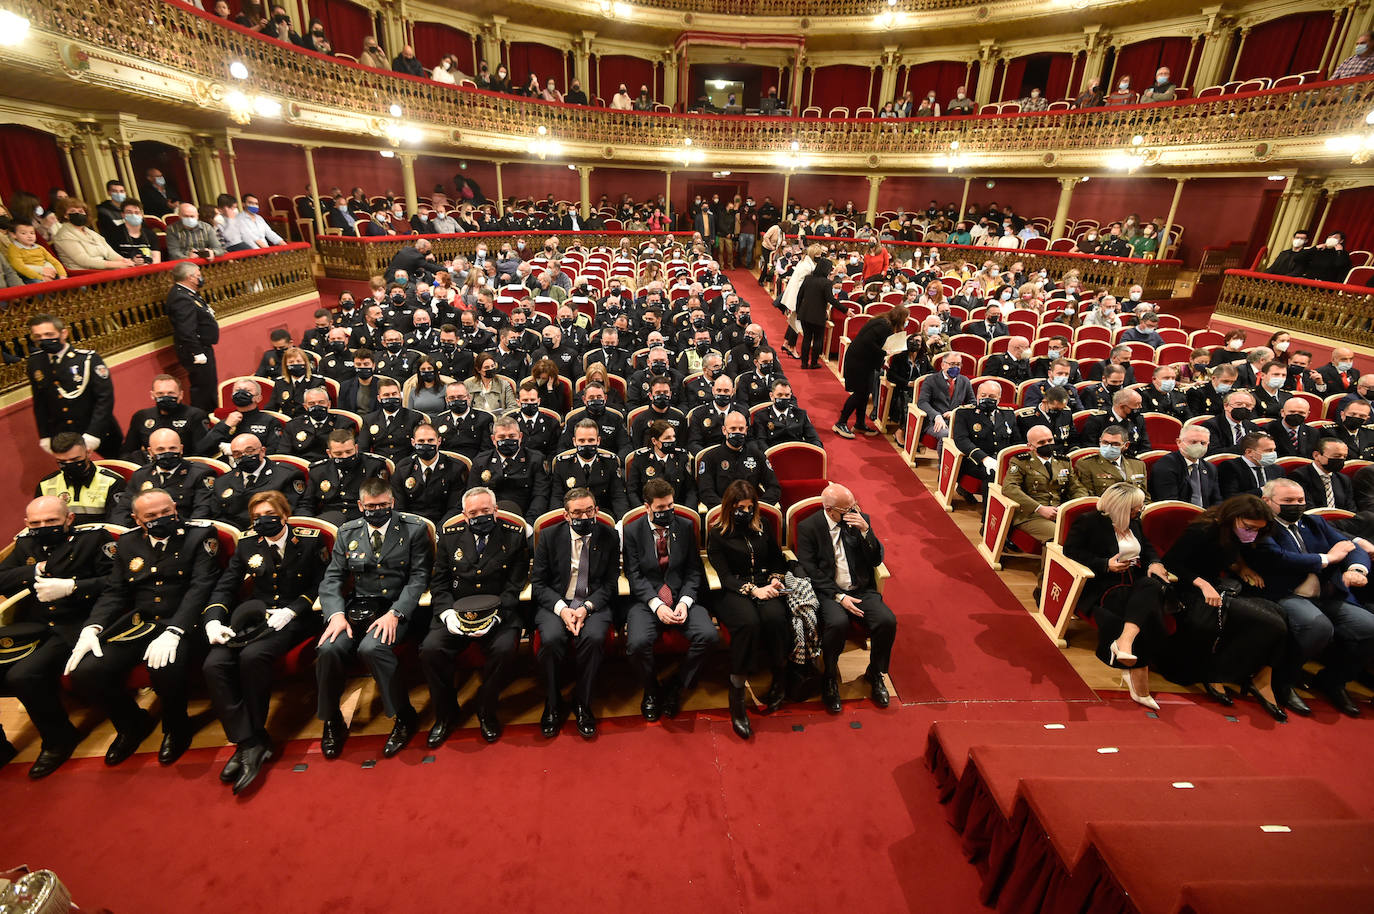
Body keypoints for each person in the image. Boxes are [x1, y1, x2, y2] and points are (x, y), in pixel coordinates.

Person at [64, 489, 222, 765]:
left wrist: (176, 630)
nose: (160, 519)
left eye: (165, 512)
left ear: (175, 507)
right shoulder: (127, 544)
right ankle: (131, 724)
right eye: (151, 516)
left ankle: (176, 727)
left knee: (164, 665)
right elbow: (115, 592)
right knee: (86, 671)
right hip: (142, 624)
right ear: (137, 520)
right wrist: (93, 627)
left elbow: (200, 588)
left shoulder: (199, 536)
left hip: (185, 622)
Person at [201, 491, 328, 793]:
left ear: (284, 515)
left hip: (297, 615)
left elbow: (322, 582)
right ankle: (249, 741)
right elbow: (226, 586)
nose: (264, 521)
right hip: (257, 614)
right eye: (257, 517)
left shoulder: (310, 540)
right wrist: (214, 619)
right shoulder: (247, 545)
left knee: (252, 657)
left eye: (270, 515)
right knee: (214, 664)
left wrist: (293, 609)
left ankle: (253, 736)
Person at [315, 477, 432, 760]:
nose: (376, 510)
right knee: (328, 649)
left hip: (394, 607)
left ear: (392, 503)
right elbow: (333, 578)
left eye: (382, 505)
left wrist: (396, 613)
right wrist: (336, 615)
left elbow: (418, 578)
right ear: (360, 505)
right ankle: (333, 720)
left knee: (373, 648)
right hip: (357, 607)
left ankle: (404, 716)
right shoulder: (347, 532)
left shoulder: (413, 529)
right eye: (370, 506)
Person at [0, 496, 115, 778]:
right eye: (36, 523)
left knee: (22, 676)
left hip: (73, 624)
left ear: (69, 519)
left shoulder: (93, 539)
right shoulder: (26, 544)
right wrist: (34, 570)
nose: (43, 527)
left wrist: (73, 586)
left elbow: (115, 582)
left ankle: (59, 740)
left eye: (51, 521)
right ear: (27, 524)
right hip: (34, 625)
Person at [420, 487, 530, 747]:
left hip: (498, 612)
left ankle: (486, 710)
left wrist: (497, 617)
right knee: (430, 650)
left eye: (485, 511)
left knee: (504, 650)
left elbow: (514, 585)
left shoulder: (513, 537)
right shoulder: (449, 537)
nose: (480, 516)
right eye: (473, 513)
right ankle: (446, 714)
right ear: (464, 515)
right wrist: (448, 616)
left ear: (496, 510)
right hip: (457, 612)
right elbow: (440, 583)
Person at [1255, 478, 1374, 717]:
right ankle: (1283, 680)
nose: (1297, 505)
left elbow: (1351, 547)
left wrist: (1356, 569)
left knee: (1369, 627)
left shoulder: (1314, 521)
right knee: (1318, 627)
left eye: (1300, 500)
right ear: (1267, 502)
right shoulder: (1260, 526)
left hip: (1327, 594)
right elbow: (1280, 558)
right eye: (1288, 501)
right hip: (1288, 594)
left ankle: (1333, 681)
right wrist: (1328, 558)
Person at [1161, 495, 1288, 718]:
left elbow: (1228, 555)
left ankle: (1261, 676)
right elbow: (1171, 562)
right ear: (1234, 518)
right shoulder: (1203, 530)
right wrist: (1202, 584)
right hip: (1190, 589)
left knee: (1279, 614)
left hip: (1219, 586)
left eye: (1258, 529)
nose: (1253, 533)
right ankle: (1217, 673)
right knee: (1273, 624)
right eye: (1249, 527)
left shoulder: (1237, 533)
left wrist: (1241, 567)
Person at [1064, 483, 1171, 708]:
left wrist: (1155, 562)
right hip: (1103, 583)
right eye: (1135, 508)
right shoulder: (1089, 521)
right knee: (1138, 610)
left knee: (1152, 587)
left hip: (1135, 579)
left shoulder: (1134, 522)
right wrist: (1105, 564)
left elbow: (1148, 547)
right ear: (1121, 507)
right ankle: (1138, 680)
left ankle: (1125, 643)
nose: (1139, 511)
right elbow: (1071, 551)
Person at [794, 483, 896, 712]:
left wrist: (865, 532)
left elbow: (876, 560)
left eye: (853, 506)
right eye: (846, 509)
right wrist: (839, 596)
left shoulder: (859, 520)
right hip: (830, 592)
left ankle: (875, 672)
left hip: (861, 589)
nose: (853, 512)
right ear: (830, 510)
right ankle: (829, 677)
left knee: (886, 621)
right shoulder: (808, 527)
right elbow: (809, 569)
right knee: (837, 623)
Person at [706, 480, 796, 739]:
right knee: (748, 623)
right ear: (729, 507)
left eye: (749, 506)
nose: (745, 512)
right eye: (740, 507)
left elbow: (777, 558)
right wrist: (753, 590)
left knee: (776, 617)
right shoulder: (718, 533)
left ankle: (780, 679)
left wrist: (776, 579)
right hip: (732, 589)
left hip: (765, 583)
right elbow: (723, 575)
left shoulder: (763, 526)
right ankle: (736, 695)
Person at [623, 478, 716, 721]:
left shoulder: (684, 527)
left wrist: (685, 601)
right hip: (648, 600)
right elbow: (634, 576)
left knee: (707, 635)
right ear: (647, 507)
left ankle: (677, 685)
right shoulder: (632, 531)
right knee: (637, 644)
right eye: (661, 508)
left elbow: (694, 571)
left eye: (670, 506)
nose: (667, 512)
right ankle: (651, 688)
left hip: (680, 595)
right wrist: (656, 605)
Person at [531, 488, 619, 739]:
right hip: (557, 602)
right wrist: (562, 610)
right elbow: (539, 583)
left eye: (589, 511)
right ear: (566, 516)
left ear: (596, 511)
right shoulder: (548, 536)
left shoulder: (609, 536)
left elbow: (610, 584)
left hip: (592, 602)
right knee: (550, 640)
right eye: (577, 512)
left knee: (593, 639)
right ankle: (552, 702)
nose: (584, 517)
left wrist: (585, 608)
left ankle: (583, 702)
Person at [26, 313, 121, 456]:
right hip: (63, 436)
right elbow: (40, 403)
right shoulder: (35, 362)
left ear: (63, 333)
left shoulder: (87, 359)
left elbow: (105, 399)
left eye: (49, 334)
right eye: (38, 337)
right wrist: (45, 435)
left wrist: (93, 434)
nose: (44, 339)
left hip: (98, 431)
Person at [1003, 425, 1087, 544]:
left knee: (1091, 532)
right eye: (1042, 442)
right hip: (1031, 515)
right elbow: (1009, 488)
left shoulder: (1064, 462)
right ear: (1030, 446)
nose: (1048, 444)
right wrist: (1039, 508)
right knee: (1062, 536)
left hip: (1059, 512)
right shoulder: (1020, 461)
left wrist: (1070, 507)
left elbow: (1077, 488)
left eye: (1050, 440)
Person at [113, 428, 216, 525]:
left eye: (172, 448)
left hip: (182, 532)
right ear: (150, 452)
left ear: (181, 449)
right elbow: (122, 511)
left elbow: (201, 512)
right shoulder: (141, 475)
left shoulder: (200, 473)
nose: (167, 453)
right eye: (160, 449)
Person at [834, 306, 907, 438]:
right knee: (859, 393)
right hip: (858, 361)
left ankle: (860, 424)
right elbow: (869, 342)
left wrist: (881, 361)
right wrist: (885, 353)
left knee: (865, 392)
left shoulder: (885, 323)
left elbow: (875, 345)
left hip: (865, 361)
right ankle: (841, 422)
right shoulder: (883, 325)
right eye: (906, 319)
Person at [164, 261, 220, 411]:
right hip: (196, 351)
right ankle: (203, 420)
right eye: (198, 275)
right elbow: (186, 329)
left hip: (202, 346)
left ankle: (211, 416)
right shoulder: (180, 298)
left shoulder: (187, 293)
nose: (201, 278)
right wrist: (197, 352)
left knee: (209, 385)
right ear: (190, 277)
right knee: (203, 389)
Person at [469, 416, 550, 518]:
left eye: (512, 436)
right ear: (493, 439)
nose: (507, 440)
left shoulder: (536, 459)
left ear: (520, 437)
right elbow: (473, 496)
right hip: (488, 518)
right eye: (501, 437)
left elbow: (540, 496)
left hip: (525, 517)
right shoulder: (481, 461)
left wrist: (529, 523)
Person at [34, 432, 125, 522]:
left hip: (99, 535)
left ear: (88, 453)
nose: (69, 464)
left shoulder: (112, 482)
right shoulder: (46, 484)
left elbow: (117, 524)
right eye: (62, 462)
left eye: (75, 459)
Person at [698, 410, 781, 508]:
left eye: (741, 429)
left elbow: (774, 488)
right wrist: (727, 509)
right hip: (722, 513)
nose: (737, 432)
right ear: (724, 430)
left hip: (751, 512)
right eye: (733, 428)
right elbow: (706, 492)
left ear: (746, 430)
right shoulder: (710, 457)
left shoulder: (757, 455)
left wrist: (755, 507)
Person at [951, 380, 1019, 496]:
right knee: (993, 474)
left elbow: (1017, 441)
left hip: (1002, 460)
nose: (987, 398)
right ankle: (989, 512)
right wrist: (984, 458)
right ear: (977, 396)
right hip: (975, 461)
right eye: (983, 395)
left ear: (999, 398)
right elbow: (961, 440)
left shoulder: (1008, 414)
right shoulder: (964, 413)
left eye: (992, 396)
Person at [51, 198, 132, 271]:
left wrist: (124, 261)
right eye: (72, 211)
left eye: (81, 211)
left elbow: (109, 253)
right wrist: (118, 265)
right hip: (84, 275)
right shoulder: (63, 235)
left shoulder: (90, 232)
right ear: (65, 215)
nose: (78, 213)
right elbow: (84, 261)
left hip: (103, 270)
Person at [1150, 425, 1222, 506]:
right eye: (1193, 442)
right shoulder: (1165, 465)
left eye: (1203, 443)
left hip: (1206, 516)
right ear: (1179, 442)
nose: (1199, 446)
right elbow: (1170, 503)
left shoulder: (1210, 468)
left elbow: (1216, 501)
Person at [917, 351, 975, 449]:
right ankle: (943, 464)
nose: (955, 367)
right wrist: (936, 416)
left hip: (957, 421)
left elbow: (972, 403)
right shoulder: (931, 380)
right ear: (943, 365)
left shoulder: (965, 381)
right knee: (947, 435)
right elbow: (922, 402)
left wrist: (956, 412)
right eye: (952, 364)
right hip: (934, 421)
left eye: (958, 364)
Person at [1074, 426, 1148, 499]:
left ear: (1126, 445)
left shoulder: (1138, 465)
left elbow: (1144, 497)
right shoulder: (1086, 464)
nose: (1109, 447)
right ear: (1100, 441)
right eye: (1105, 442)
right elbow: (1088, 499)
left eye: (1115, 444)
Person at [1218, 432, 1281, 498]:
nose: (1273, 454)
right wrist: (1263, 490)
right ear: (1249, 452)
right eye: (1268, 450)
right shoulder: (1230, 467)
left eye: (1274, 450)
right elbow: (1231, 497)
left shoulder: (1277, 469)